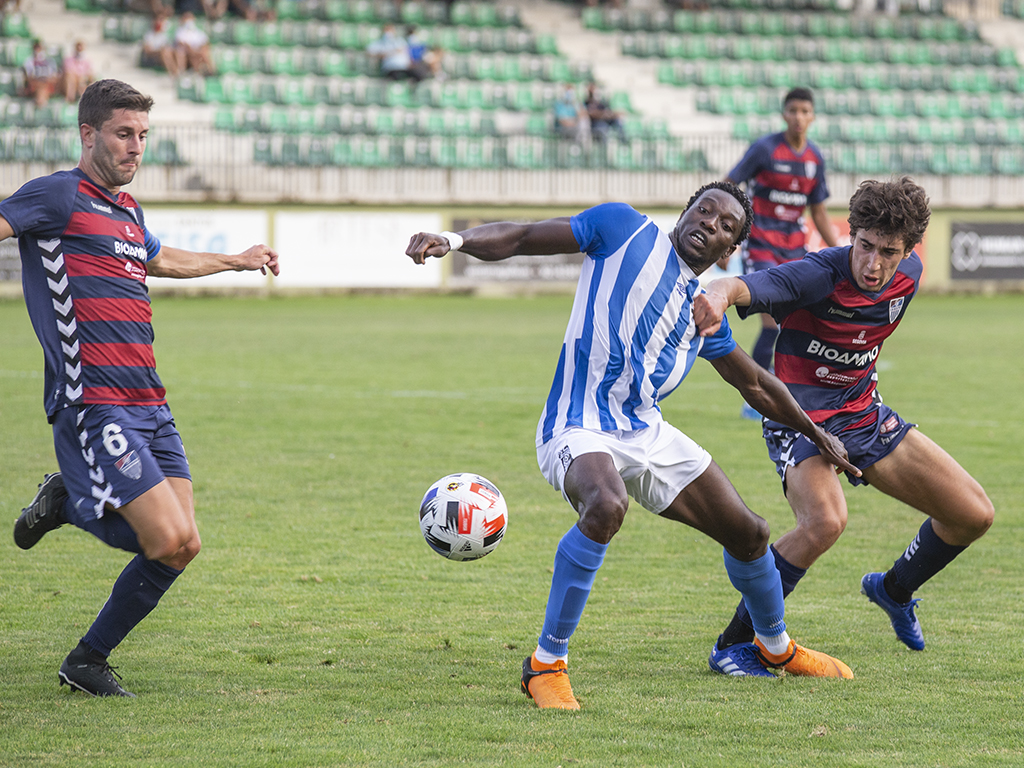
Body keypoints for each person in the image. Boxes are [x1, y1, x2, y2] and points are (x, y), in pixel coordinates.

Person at [407, 181, 862, 710]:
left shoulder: (704, 305)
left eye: (724, 225)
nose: (709, 223)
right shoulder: (623, 230)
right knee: (606, 504)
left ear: (730, 249)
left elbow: (754, 384)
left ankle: (774, 647)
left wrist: (816, 432)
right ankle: (545, 664)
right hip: (577, 426)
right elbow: (526, 235)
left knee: (751, 532)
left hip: (646, 430)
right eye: (703, 210)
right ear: (686, 211)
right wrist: (454, 240)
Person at [2, 79, 279, 697]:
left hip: (150, 401)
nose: (135, 148)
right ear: (88, 134)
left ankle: (87, 660)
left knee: (183, 546)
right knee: (161, 537)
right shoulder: (55, 195)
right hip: (94, 403)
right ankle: (67, 505)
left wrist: (235, 261)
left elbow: (160, 259)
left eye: (143, 136)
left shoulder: (127, 211)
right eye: (124, 134)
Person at [693, 177, 994, 664]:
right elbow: (747, 286)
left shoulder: (909, 276)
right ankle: (733, 645)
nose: (873, 264)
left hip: (863, 414)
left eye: (888, 252)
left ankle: (894, 590)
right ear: (850, 234)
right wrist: (719, 292)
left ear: (909, 251)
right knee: (825, 521)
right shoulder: (818, 274)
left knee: (973, 513)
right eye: (865, 246)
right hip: (799, 418)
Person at [724, 87, 839, 420]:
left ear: (813, 116)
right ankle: (754, 399)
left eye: (805, 111)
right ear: (784, 114)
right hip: (761, 247)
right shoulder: (765, 149)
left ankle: (791, 392)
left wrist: (843, 254)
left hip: (795, 251)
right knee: (772, 322)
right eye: (793, 111)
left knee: (796, 324)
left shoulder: (814, 158)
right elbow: (729, 186)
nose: (799, 117)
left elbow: (818, 212)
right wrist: (726, 240)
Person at [174, 11, 216, 77]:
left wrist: (198, 50)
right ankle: (182, 73)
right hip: (187, 53)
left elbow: (205, 43)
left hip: (197, 52)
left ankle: (212, 71)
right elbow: (181, 44)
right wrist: (192, 50)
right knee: (183, 53)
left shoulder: (198, 31)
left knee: (204, 52)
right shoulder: (180, 31)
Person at [21, 39, 61, 107]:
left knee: (44, 87)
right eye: (36, 47)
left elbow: (55, 77)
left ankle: (40, 107)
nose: (38, 49)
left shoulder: (50, 61)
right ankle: (41, 108)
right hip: (35, 84)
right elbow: (28, 77)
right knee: (40, 88)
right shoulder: (29, 61)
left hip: (48, 83)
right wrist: (39, 82)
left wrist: (46, 81)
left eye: (40, 47)